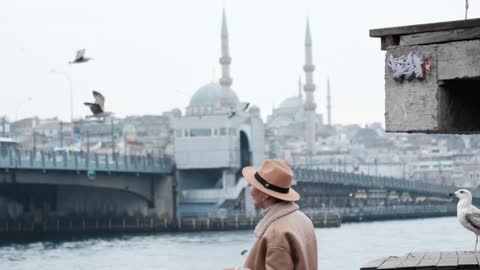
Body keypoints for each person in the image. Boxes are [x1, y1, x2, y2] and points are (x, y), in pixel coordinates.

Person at [225, 159, 318, 270]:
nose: (250, 189)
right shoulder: (303, 219)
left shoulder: (276, 233)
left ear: (266, 195)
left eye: (253, 185)